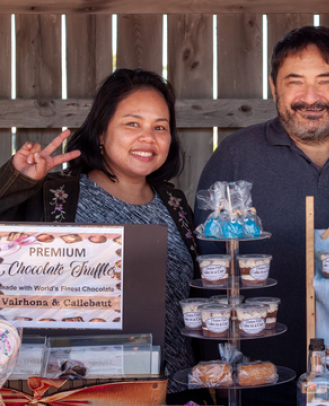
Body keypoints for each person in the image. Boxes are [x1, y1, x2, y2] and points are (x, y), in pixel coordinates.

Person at [195, 25, 329, 405]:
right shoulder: (234, 157)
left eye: (325, 82)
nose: (310, 98)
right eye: (295, 82)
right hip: (254, 374)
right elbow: (208, 274)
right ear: (274, 88)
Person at [0, 68, 209, 403]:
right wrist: (17, 183)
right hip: (75, 393)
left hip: (175, 393)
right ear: (100, 131)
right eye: (132, 123)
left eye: (160, 127)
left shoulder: (176, 205)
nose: (148, 137)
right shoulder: (56, 197)